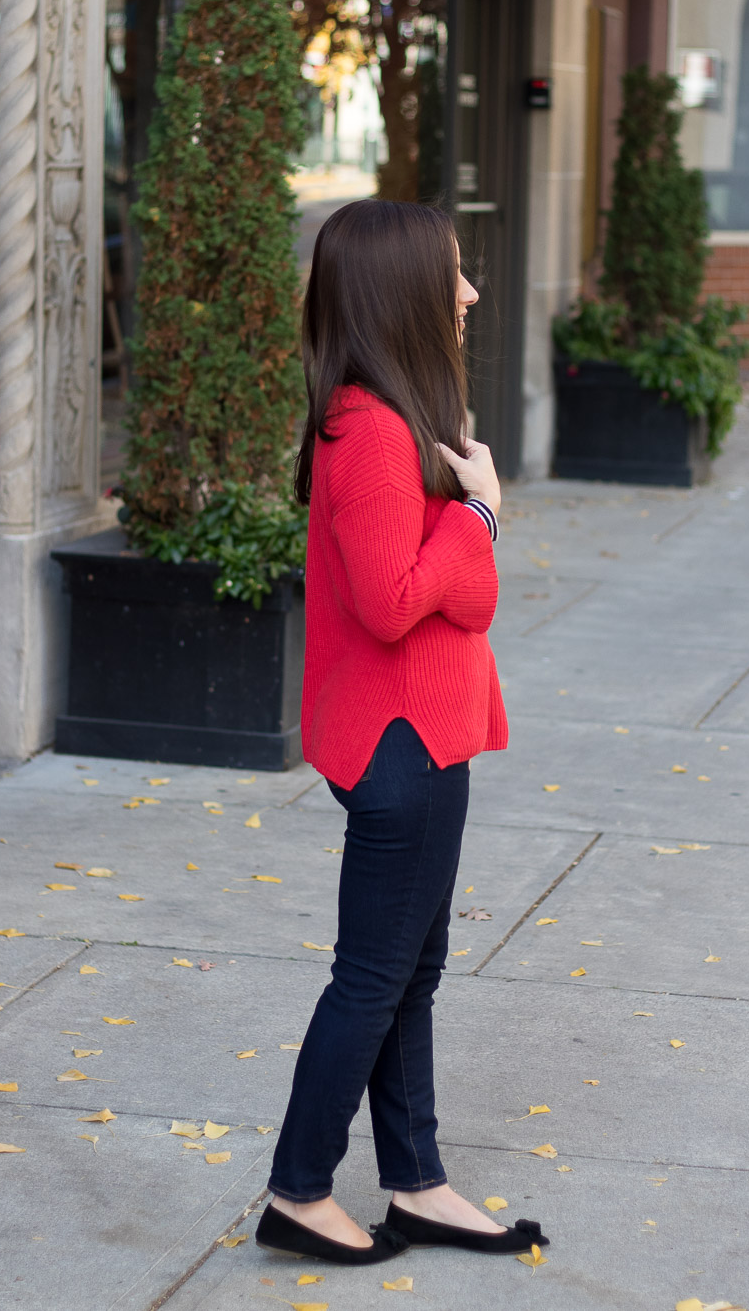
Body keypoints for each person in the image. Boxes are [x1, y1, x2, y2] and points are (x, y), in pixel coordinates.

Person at [255, 200, 550, 1267]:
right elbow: (393, 601)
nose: (469, 294)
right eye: (455, 276)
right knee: (375, 976)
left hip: (415, 733)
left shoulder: (383, 417)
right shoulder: (373, 432)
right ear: (401, 295)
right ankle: (297, 1190)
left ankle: (416, 1181)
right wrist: (477, 519)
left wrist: (464, 551)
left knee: (406, 970)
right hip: (401, 745)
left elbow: (457, 603)